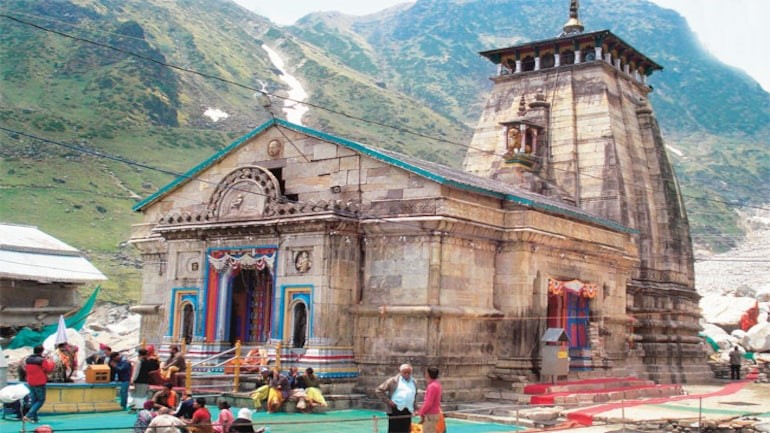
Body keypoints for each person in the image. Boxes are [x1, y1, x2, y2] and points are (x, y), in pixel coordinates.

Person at [376, 363, 417, 433]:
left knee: (406, 430)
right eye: (405, 372)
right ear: (400, 372)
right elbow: (379, 390)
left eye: (409, 372)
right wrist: (389, 401)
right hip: (395, 409)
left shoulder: (414, 382)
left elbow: (414, 395)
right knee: (394, 430)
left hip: (408, 411)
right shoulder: (393, 381)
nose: (407, 374)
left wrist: (415, 407)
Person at [24, 345, 55, 423]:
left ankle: (34, 418)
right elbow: (49, 369)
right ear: (41, 351)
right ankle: (28, 415)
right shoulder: (41, 360)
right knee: (41, 400)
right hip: (39, 382)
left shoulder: (28, 359)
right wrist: (51, 362)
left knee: (34, 400)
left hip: (30, 382)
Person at [416, 367, 443, 433]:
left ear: (428, 374)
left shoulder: (432, 386)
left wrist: (421, 412)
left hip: (430, 414)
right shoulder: (437, 384)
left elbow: (429, 402)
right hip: (434, 413)